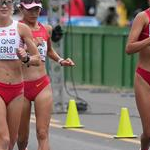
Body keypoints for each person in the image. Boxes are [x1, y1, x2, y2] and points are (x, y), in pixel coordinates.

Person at [17, 0, 75, 150]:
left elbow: (49, 51)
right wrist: (30, 48)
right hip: (21, 87)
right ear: (21, 9)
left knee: (42, 133)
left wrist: (61, 60)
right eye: (30, 10)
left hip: (42, 85)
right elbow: (10, 59)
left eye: (37, 9)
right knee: (22, 138)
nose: (34, 13)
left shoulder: (46, 29)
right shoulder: (15, 30)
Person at [0, 0, 41, 150]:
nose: (3, 6)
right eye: (0, 2)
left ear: (13, 6)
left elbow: (37, 59)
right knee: (3, 139)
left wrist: (26, 58)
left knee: (11, 141)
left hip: (17, 89)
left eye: (7, 2)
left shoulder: (21, 29)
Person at [125, 2, 150, 150]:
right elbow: (129, 48)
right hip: (144, 78)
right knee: (148, 133)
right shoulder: (143, 17)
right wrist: (148, 40)